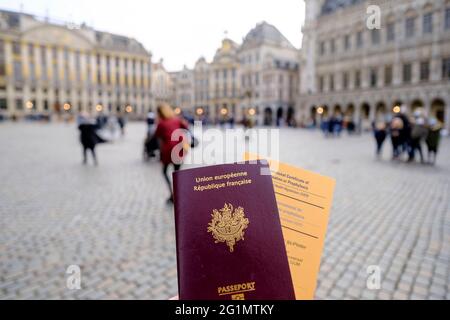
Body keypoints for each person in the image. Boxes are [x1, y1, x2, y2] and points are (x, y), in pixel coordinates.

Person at [154, 103, 189, 203]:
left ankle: (172, 194)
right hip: (179, 149)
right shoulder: (176, 120)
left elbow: (157, 136)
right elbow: (186, 127)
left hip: (168, 149)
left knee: (164, 172)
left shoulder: (161, 123)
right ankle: (178, 195)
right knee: (177, 173)